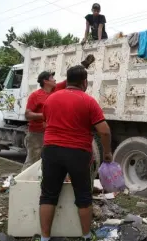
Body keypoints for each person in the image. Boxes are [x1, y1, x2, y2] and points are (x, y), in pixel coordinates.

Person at [36, 65, 112, 241]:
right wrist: (107, 152)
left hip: (51, 150)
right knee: (83, 196)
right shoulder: (88, 101)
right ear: (84, 82)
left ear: (67, 80)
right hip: (78, 153)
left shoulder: (51, 99)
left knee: (48, 195)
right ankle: (86, 236)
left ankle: (44, 238)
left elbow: (46, 124)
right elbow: (105, 131)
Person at [21, 71, 66, 171]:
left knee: (50, 162)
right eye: (52, 78)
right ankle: (22, 183)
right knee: (32, 162)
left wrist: (83, 66)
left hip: (52, 133)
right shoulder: (35, 96)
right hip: (37, 134)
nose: (55, 80)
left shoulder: (56, 89)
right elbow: (27, 114)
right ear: (45, 81)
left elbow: (69, 80)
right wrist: (45, 115)